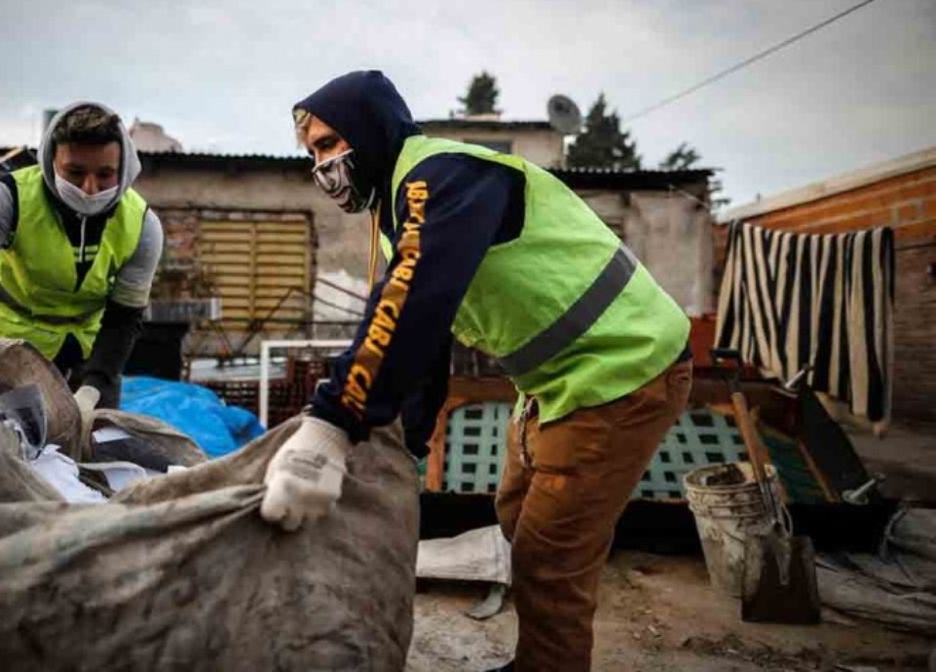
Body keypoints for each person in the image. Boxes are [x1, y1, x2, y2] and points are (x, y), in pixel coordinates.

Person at [259, 71, 693, 672]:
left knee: (548, 559)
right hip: (555, 381)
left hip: (623, 368)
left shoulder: (442, 176)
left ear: (371, 127)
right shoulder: (400, 212)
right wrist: (403, 449)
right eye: (313, 153)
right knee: (516, 516)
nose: (323, 164)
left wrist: (333, 423)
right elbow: (427, 337)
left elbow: (411, 303)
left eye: (331, 143)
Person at [0, 102, 163, 409]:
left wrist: (95, 385)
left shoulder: (142, 225)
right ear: (51, 162)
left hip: (92, 353)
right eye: (74, 172)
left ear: (124, 169)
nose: (89, 188)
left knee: (98, 446)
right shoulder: (8, 199)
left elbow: (125, 316)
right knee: (7, 446)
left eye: (105, 174)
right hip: (12, 350)